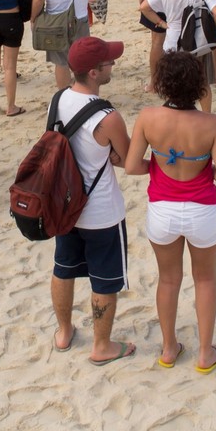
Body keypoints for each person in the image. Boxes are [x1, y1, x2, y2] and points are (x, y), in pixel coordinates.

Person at [125, 52, 216, 374]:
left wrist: (159, 165)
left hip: (163, 210)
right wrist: (203, 168)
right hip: (202, 209)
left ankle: (169, 348)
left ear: (162, 84)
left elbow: (132, 167)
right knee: (205, 279)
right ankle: (205, 353)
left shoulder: (148, 117)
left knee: (169, 279)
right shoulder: (212, 123)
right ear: (198, 85)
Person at [45, 37, 137, 364]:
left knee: (64, 268)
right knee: (104, 278)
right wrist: (113, 154)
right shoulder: (108, 116)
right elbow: (130, 161)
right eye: (108, 62)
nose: (113, 64)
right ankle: (101, 346)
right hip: (99, 210)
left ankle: (64, 330)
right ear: (95, 73)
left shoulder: (57, 100)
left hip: (65, 205)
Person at [138, 0, 216, 112]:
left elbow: (144, 7)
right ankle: (206, 115)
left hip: (173, 43)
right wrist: (208, 30)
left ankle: (175, 113)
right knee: (202, 82)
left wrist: (161, 23)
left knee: (174, 81)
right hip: (196, 44)